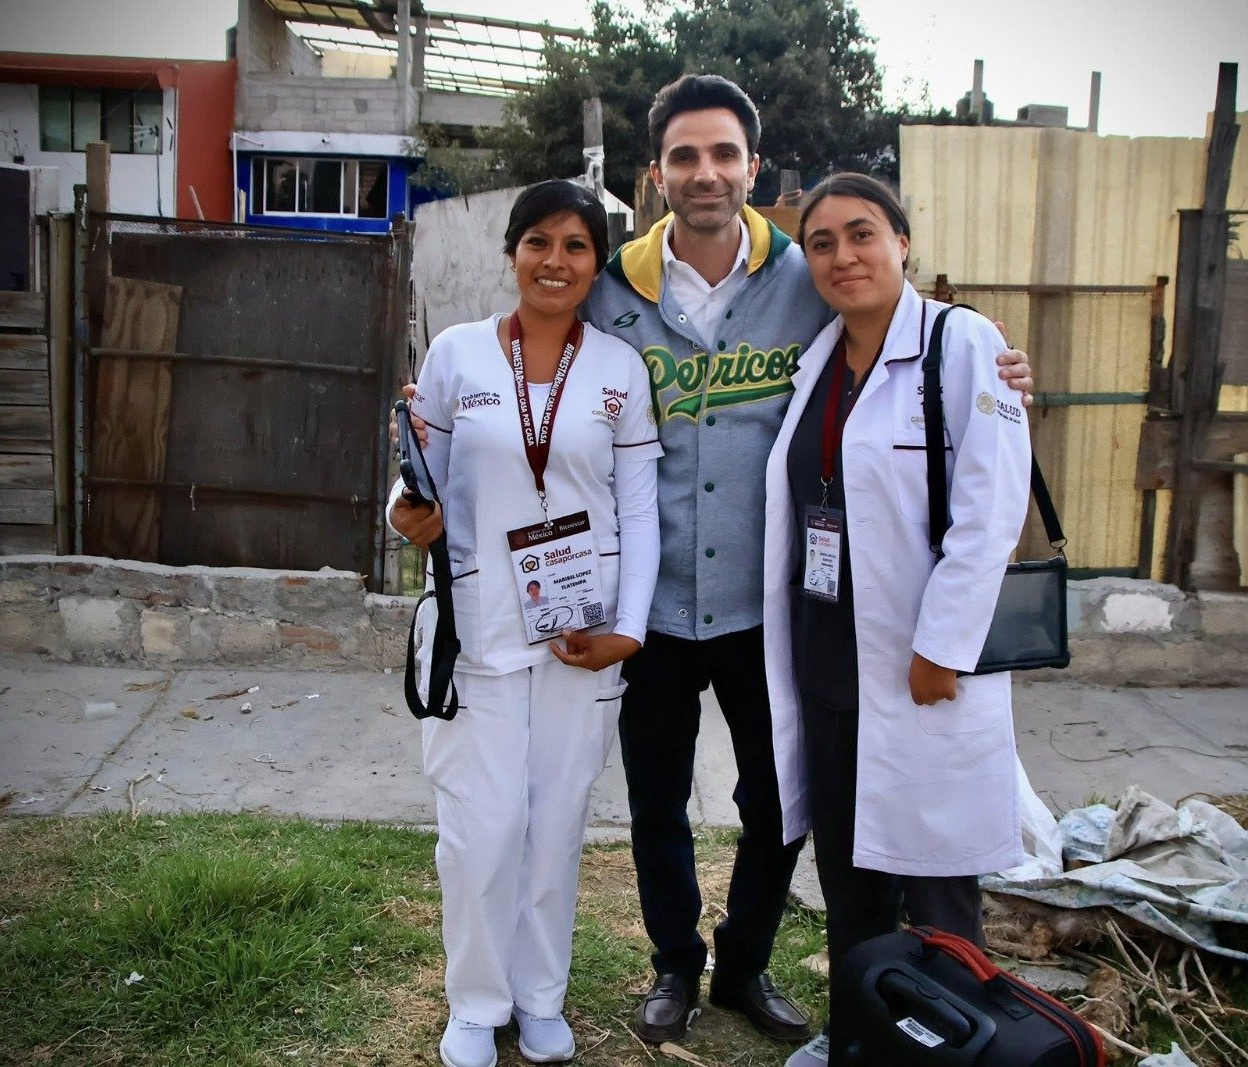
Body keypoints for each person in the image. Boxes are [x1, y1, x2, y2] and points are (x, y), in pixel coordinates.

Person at [396, 73, 1036, 1048]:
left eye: (723, 153)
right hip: (648, 604)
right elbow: (528, 372)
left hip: (769, 599)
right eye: (684, 156)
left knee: (777, 802)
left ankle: (743, 963)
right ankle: (672, 967)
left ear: (752, 164)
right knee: (656, 796)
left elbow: (898, 341)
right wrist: (435, 416)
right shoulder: (612, 289)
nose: (705, 173)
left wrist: (995, 361)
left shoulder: (807, 282)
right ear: (657, 172)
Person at [387, 179, 662, 1067]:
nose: (555, 260)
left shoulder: (619, 369)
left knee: (556, 823)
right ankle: (475, 1002)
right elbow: (413, 479)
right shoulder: (458, 356)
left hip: (582, 634)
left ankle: (540, 996)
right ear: (512, 253)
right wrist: (403, 510)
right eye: (538, 241)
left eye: (576, 245)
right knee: (482, 824)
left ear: (597, 262)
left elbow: (641, 510)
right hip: (481, 624)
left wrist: (629, 628)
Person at [762, 173, 1031, 1066]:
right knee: (850, 874)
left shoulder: (964, 344)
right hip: (830, 659)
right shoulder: (817, 360)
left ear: (903, 243)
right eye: (823, 242)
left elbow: (992, 511)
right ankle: (861, 1037)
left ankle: (959, 1045)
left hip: (923, 668)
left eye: (862, 233)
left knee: (939, 881)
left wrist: (942, 647)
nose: (844, 256)